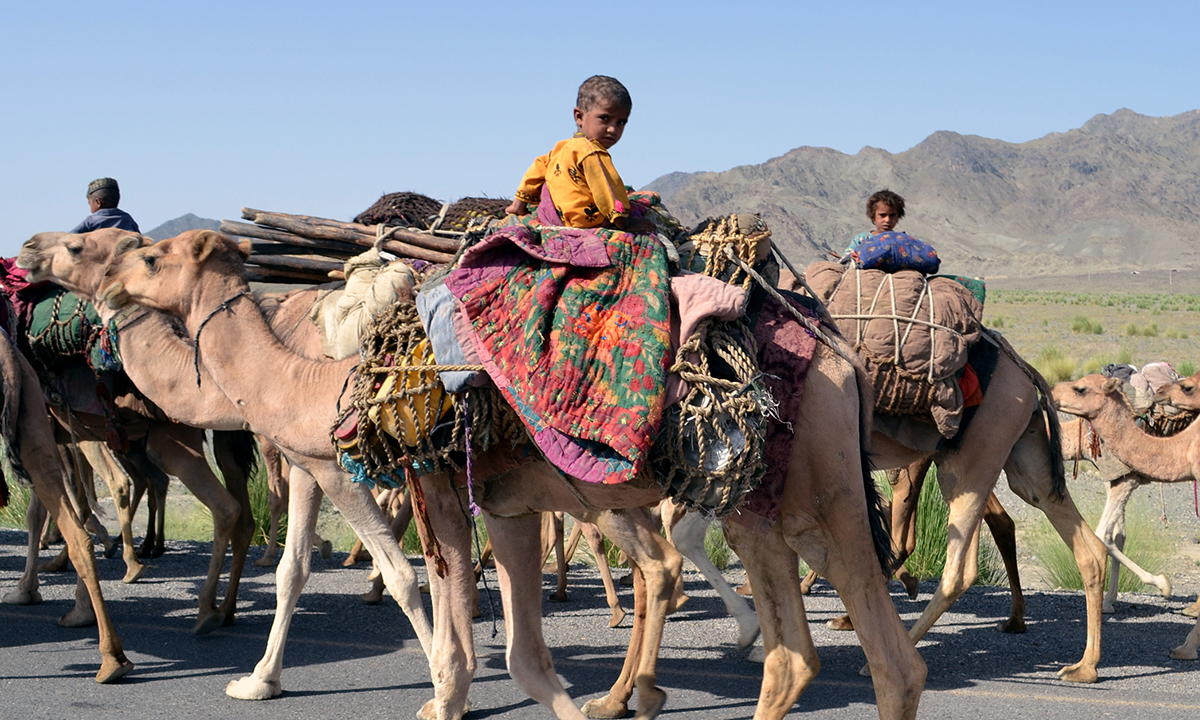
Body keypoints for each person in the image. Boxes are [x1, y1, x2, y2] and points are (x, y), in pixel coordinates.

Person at [504, 75, 634, 230]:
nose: (613, 129)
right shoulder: (593, 153)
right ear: (579, 117)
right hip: (587, 223)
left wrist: (518, 205)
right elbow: (607, 190)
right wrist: (625, 224)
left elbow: (536, 170)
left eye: (621, 122)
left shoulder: (561, 148)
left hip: (552, 218)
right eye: (604, 118)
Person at [841, 189, 905, 261]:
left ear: (898, 216)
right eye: (882, 215)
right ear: (873, 216)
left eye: (892, 215)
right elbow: (845, 257)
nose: (887, 220)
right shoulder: (861, 240)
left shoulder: (902, 240)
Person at [71, 177, 139, 233]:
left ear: (98, 202)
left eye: (89, 203)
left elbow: (69, 238)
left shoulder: (91, 221)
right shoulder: (127, 219)